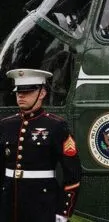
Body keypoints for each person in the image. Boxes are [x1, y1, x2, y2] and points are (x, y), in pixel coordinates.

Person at [0, 69, 81, 222]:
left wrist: (64, 211)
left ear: (42, 93)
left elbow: (73, 173)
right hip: (8, 203)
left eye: (28, 91)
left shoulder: (56, 126)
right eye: (18, 92)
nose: (21, 95)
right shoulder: (6, 125)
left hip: (42, 204)